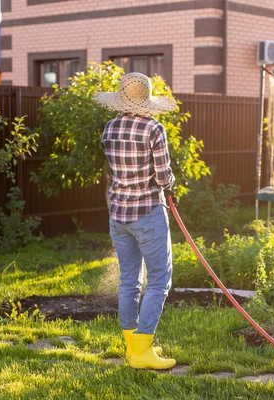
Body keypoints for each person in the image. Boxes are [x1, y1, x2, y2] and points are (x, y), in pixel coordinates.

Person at [93, 72, 177, 370]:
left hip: (118, 213)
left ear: (121, 98)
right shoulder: (153, 129)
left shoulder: (110, 127)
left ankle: (133, 347)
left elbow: (117, 168)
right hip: (147, 213)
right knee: (158, 281)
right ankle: (142, 349)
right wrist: (169, 185)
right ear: (147, 100)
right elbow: (163, 175)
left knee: (129, 281)